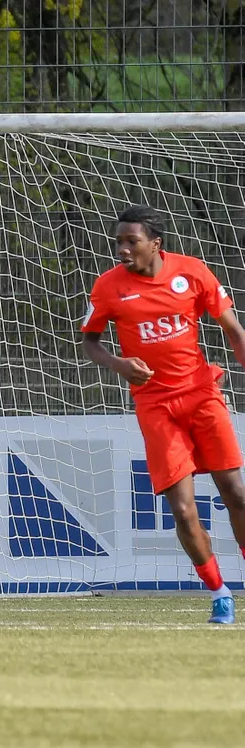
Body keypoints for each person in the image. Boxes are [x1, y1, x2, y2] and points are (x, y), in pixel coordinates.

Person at [82, 205, 245, 624]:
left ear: (156, 244)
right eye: (118, 241)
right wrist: (121, 365)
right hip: (155, 406)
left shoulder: (191, 272)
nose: (122, 249)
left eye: (130, 242)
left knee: (237, 495)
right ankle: (219, 593)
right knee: (185, 511)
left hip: (202, 394)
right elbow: (90, 342)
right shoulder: (107, 288)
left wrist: (240, 348)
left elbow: (232, 326)